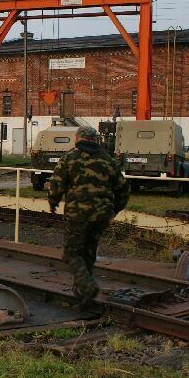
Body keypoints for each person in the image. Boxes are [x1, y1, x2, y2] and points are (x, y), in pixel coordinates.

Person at [47, 126, 129, 309]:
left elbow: (56, 184)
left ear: (77, 138)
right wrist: (114, 210)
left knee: (71, 253)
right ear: (95, 140)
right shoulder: (108, 160)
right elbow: (123, 188)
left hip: (78, 214)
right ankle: (84, 296)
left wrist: (53, 202)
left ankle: (87, 287)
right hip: (102, 214)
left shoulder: (70, 157)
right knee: (88, 252)